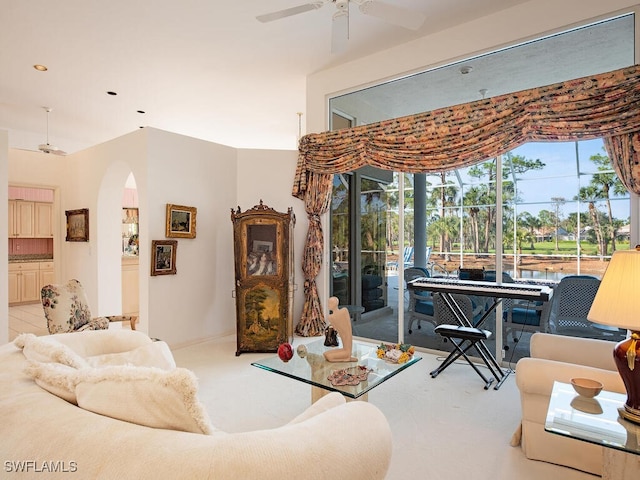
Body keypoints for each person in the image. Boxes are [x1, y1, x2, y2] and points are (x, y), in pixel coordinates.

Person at [323, 296, 357, 362]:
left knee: (329, 357)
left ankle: (347, 358)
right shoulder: (331, 317)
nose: (328, 305)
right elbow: (336, 329)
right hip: (344, 347)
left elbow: (347, 327)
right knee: (325, 354)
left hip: (347, 348)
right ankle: (346, 357)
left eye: (330, 303)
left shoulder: (344, 311)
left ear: (335, 304)